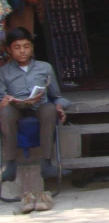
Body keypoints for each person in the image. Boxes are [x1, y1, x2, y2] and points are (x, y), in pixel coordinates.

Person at [0, 27, 69, 182]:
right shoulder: (3, 72)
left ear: (32, 47)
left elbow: (57, 96)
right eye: (17, 47)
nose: (22, 51)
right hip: (15, 108)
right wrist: (3, 103)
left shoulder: (44, 68)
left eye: (26, 46)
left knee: (50, 109)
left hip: (40, 106)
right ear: (9, 50)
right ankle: (10, 165)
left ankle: (46, 164)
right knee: (5, 113)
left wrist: (60, 107)